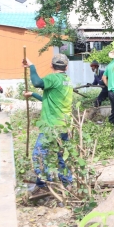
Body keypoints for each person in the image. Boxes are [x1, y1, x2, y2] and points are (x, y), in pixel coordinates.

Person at [22, 54, 73, 199]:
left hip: (51, 126)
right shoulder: (67, 80)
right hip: (64, 125)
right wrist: (33, 94)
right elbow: (49, 99)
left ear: (51, 66)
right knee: (61, 155)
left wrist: (31, 66)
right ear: (66, 67)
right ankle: (67, 183)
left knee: (39, 154)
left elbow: (37, 82)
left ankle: (44, 185)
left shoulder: (53, 78)